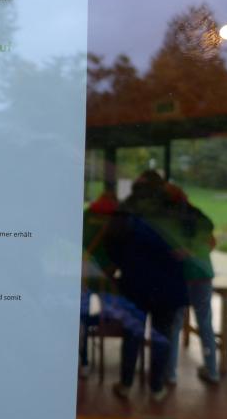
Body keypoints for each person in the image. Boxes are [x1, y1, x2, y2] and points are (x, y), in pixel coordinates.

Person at [105, 171, 188, 402]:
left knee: (132, 334)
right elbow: (189, 239)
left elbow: (111, 243)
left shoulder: (127, 209)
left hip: (135, 283)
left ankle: (125, 384)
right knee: (162, 336)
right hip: (168, 285)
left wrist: (124, 263)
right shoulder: (174, 209)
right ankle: (157, 387)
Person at [164, 183, 219, 385]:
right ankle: (212, 370)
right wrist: (196, 252)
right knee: (205, 323)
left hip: (180, 276)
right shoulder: (199, 216)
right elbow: (212, 242)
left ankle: (170, 373)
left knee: (175, 325)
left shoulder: (166, 218)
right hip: (203, 274)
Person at [79, 191, 118, 378]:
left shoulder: (87, 216)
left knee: (82, 317)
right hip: (106, 277)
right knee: (105, 314)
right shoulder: (117, 220)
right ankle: (101, 326)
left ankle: (84, 361)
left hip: (85, 274)